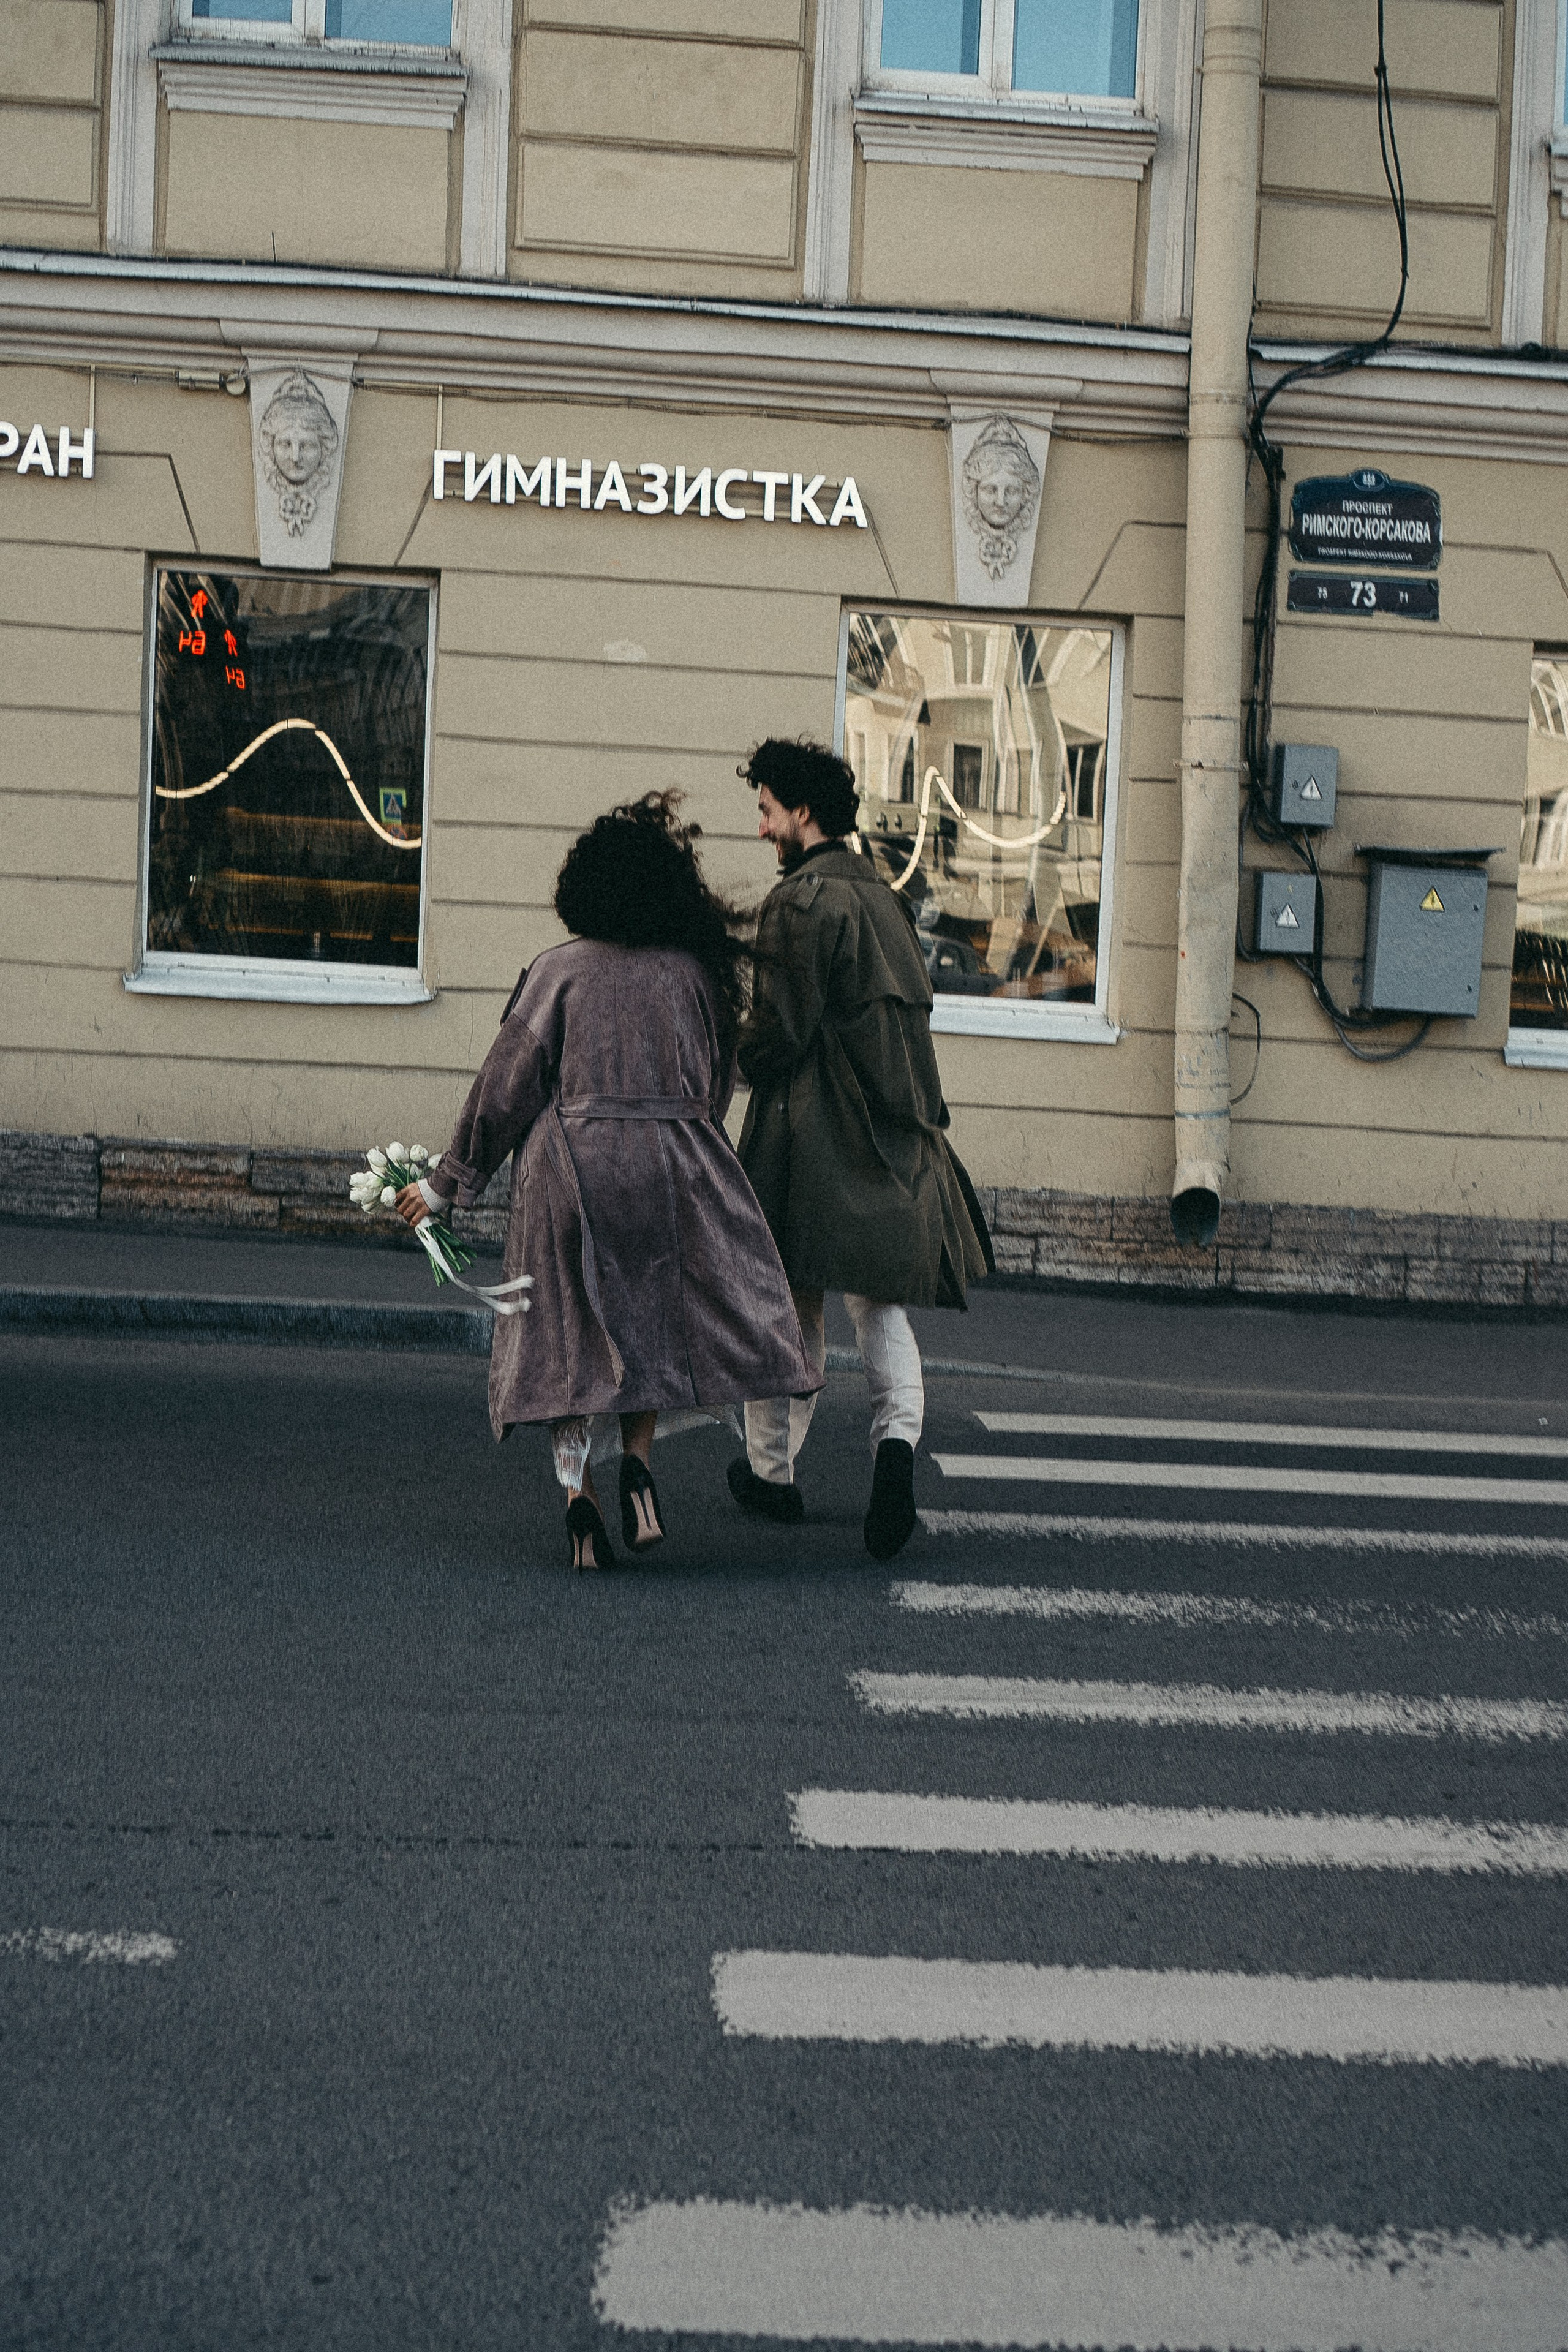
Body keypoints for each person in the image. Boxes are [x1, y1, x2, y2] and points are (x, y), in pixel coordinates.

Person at [398, 792, 820, 1572]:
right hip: (669, 1171)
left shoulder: (558, 973)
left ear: (583, 887)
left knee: (567, 1342)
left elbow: (504, 1090)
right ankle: (639, 1466)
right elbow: (717, 1083)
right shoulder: (694, 977)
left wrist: (446, 1185)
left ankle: (579, 1501)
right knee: (650, 1330)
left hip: (571, 1175)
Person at [728, 737, 993, 1559]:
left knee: (789, 1300)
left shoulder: (801, 903)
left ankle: (772, 1475)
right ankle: (894, 1460)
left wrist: (719, 1055)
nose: (762, 825)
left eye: (769, 809)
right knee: (882, 1310)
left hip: (813, 1137)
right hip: (897, 1135)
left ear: (802, 813)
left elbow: (778, 1034)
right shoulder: (885, 897)